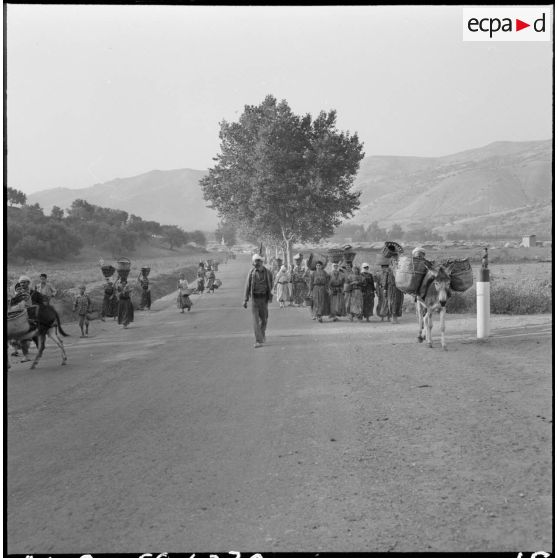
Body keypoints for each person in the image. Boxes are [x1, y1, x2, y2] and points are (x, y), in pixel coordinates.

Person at [243, 253, 273, 348]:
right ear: (254, 262)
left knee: (264, 319)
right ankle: (258, 340)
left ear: (262, 262)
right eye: (256, 261)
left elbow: (271, 283)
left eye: (259, 261)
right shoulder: (251, 273)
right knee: (255, 321)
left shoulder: (268, 272)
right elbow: (247, 286)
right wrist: (245, 299)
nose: (257, 263)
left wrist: (268, 293)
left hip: (264, 299)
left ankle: (262, 334)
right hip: (255, 299)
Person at [376, 255, 404, 323]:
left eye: (396, 261)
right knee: (392, 302)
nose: (395, 263)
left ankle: (395, 318)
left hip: (399, 289)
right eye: (394, 261)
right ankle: (393, 319)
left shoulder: (400, 270)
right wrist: (385, 289)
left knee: (398, 302)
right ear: (391, 263)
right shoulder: (389, 271)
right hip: (391, 288)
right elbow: (385, 280)